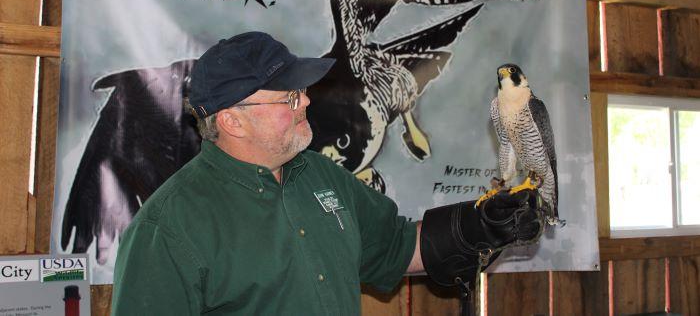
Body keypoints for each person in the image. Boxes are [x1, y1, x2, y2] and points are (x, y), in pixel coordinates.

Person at [111, 31, 542, 315]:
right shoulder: (168, 228)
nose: (307, 103)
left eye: (302, 93)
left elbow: (392, 247)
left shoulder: (319, 173)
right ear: (232, 121)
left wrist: (477, 225)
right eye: (289, 98)